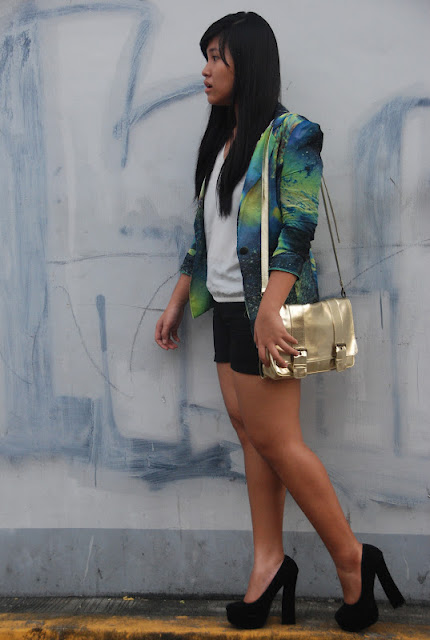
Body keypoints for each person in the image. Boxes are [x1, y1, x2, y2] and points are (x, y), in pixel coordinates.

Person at [155, 11, 404, 632]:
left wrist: (270, 308)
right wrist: (180, 296)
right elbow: (205, 233)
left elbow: (298, 228)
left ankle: (354, 560)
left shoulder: (292, 135)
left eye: (218, 58)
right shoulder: (222, 141)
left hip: (266, 310)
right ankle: (268, 564)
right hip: (224, 306)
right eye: (206, 56)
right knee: (252, 436)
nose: (206, 70)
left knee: (279, 442)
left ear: (248, 64)